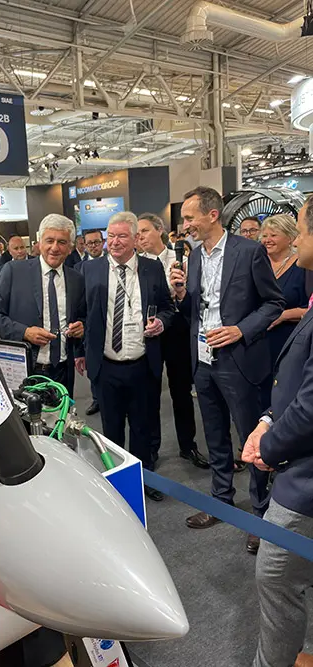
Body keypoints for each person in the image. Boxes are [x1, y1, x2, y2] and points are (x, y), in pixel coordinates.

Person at [170, 186, 285, 547]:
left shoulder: (248, 251)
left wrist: (240, 330)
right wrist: (181, 296)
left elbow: (274, 303)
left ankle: (261, 516)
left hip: (240, 361)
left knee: (250, 438)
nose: (185, 225)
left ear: (212, 215)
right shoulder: (194, 257)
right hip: (204, 361)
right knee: (215, 434)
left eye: (189, 218)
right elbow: (196, 309)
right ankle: (221, 501)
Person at [242, 197, 313, 667]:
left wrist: (268, 446)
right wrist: (269, 418)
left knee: (275, 575)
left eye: (302, 229)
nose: (297, 237)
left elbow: (310, 407)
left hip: (304, 481)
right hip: (294, 454)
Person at [81, 211, 175, 502]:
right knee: (110, 429)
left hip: (143, 364)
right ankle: (117, 482)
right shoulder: (90, 270)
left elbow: (168, 308)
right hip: (106, 366)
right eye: (111, 236)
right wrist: (79, 352)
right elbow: (80, 315)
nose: (115, 242)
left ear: (135, 239)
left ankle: (144, 478)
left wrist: (161, 322)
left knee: (142, 427)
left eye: (122, 236)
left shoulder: (152, 268)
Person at [0, 214, 85, 397]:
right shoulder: (13, 272)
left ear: (70, 247)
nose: (55, 247)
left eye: (62, 242)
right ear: (39, 243)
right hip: (26, 372)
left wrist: (81, 327)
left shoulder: (76, 279)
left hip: (63, 372)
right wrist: (25, 332)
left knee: (62, 415)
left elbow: (82, 317)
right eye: (49, 241)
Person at [137, 212, 208, 470]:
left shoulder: (182, 259)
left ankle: (188, 445)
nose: (140, 237)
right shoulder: (137, 265)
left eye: (144, 231)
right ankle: (151, 449)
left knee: (181, 392)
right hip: (151, 331)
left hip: (179, 330)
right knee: (150, 393)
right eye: (137, 233)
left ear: (160, 230)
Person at [260, 214, 308, 406]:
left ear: (290, 238)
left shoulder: (303, 265)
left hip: (288, 341)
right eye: (264, 235)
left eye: (273, 235)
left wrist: (283, 316)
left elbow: (309, 309)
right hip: (258, 343)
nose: (267, 240)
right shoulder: (258, 263)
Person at [74, 229, 106, 415]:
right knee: (93, 364)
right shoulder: (79, 268)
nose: (93, 246)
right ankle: (97, 399)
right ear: (84, 245)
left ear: (103, 242)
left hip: (111, 323)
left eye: (97, 242)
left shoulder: (113, 263)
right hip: (89, 324)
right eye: (89, 243)